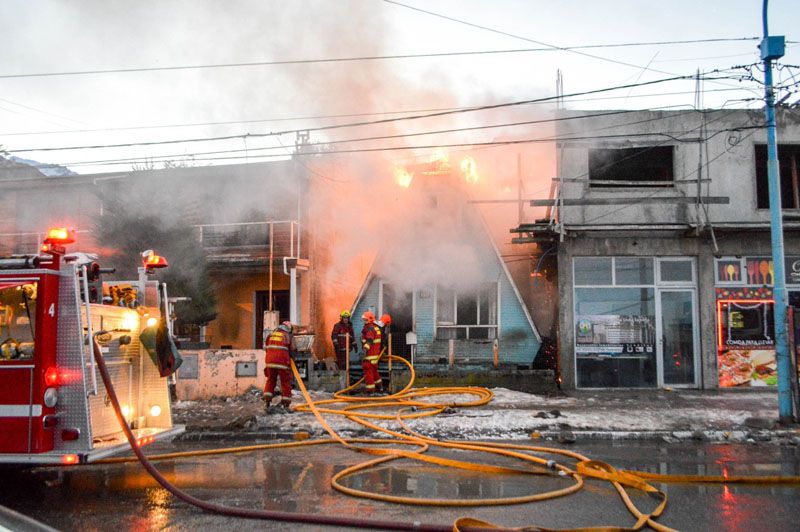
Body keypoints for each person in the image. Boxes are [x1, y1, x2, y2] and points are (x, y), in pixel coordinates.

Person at [262, 321, 296, 413]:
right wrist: (293, 360)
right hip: (282, 362)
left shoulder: (271, 334)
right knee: (285, 382)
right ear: (289, 328)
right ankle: (286, 404)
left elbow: (267, 347)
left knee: (270, 380)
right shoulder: (288, 335)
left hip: (270, 362)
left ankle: (267, 401)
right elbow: (293, 349)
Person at [360, 311, 383, 394]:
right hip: (375, 355)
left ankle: (371, 390)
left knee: (368, 371)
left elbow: (370, 340)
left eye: (365, 320)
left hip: (370, 355)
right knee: (374, 371)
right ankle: (380, 387)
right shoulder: (375, 327)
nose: (364, 321)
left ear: (369, 320)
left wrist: (365, 350)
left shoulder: (370, 328)